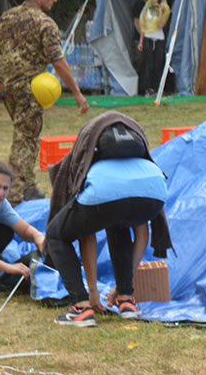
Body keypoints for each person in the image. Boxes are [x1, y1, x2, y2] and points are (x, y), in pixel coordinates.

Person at [45, 111, 172, 327]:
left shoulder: (88, 164)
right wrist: (126, 284)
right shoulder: (143, 165)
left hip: (101, 198)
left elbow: (86, 235)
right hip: (154, 196)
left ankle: (81, 308)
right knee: (119, 223)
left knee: (56, 234)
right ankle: (127, 302)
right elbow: (142, 233)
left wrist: (92, 293)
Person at [0, 0, 90, 204]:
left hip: (8, 88)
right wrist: (78, 94)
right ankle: (17, 192)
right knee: (25, 140)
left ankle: (29, 187)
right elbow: (58, 62)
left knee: (25, 135)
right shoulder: (45, 23)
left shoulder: (6, 18)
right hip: (30, 90)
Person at [135, 0, 171, 96]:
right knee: (148, 64)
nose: (155, 0)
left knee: (158, 63)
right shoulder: (146, 10)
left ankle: (158, 88)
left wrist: (160, 11)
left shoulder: (165, 10)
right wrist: (141, 41)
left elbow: (161, 24)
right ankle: (147, 88)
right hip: (148, 38)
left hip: (159, 39)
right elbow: (143, 26)